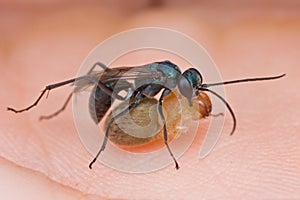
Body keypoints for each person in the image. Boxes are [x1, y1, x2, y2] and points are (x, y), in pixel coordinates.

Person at [1, 1, 299, 199]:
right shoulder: (160, 77)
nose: (187, 95)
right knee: (94, 76)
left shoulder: (172, 80)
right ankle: (45, 109)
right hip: (108, 93)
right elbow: (143, 96)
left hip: (127, 90)